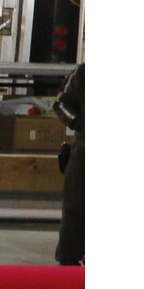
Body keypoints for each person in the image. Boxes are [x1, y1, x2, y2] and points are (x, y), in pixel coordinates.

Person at [55, 62, 84, 266]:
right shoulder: (84, 74)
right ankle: (69, 261)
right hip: (86, 151)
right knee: (77, 207)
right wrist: (78, 122)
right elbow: (61, 104)